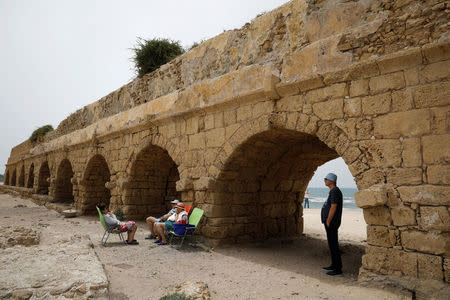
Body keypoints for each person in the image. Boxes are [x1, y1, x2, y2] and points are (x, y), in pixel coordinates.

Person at [321, 173, 343, 276]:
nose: (324, 180)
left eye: (326, 179)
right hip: (331, 222)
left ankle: (337, 269)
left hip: (332, 223)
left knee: (334, 245)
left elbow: (333, 207)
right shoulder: (333, 191)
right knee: (332, 244)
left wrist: (328, 220)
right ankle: (334, 265)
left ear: (331, 181)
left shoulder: (334, 191)